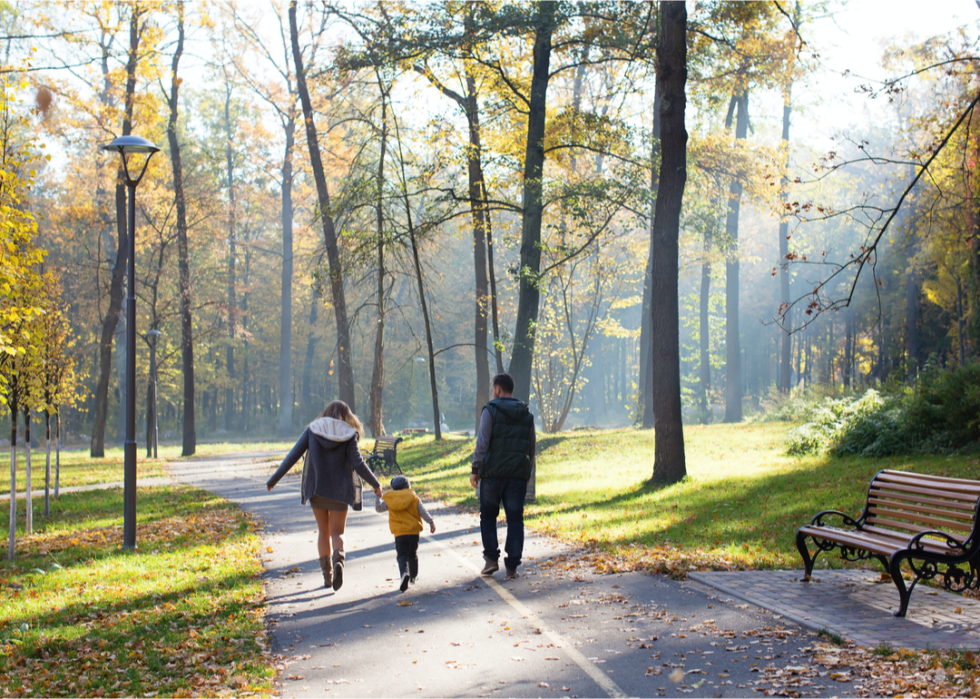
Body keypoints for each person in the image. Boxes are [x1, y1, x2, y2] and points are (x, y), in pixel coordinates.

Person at [266, 400, 382, 591]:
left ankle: (327, 577)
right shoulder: (349, 434)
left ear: (325, 412)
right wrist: (376, 484)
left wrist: (273, 480)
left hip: (317, 490)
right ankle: (339, 561)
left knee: (323, 532)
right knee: (338, 533)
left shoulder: (312, 430)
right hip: (341, 492)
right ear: (347, 415)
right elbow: (359, 464)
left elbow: (293, 455)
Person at [470, 373, 536, 580]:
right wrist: (528, 471)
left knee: (488, 516)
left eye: (492, 389)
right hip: (517, 475)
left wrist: (475, 469)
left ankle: (491, 559)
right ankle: (512, 566)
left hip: (492, 475)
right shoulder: (527, 415)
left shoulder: (490, 411)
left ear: (498, 389)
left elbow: (483, 443)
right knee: (515, 519)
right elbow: (531, 446)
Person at [375, 475, 436, 592]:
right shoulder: (414, 498)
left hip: (399, 534)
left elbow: (378, 508)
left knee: (401, 555)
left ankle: (404, 573)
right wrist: (431, 522)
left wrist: (378, 496)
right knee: (412, 554)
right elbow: (423, 512)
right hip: (413, 532)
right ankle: (413, 576)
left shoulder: (391, 500)